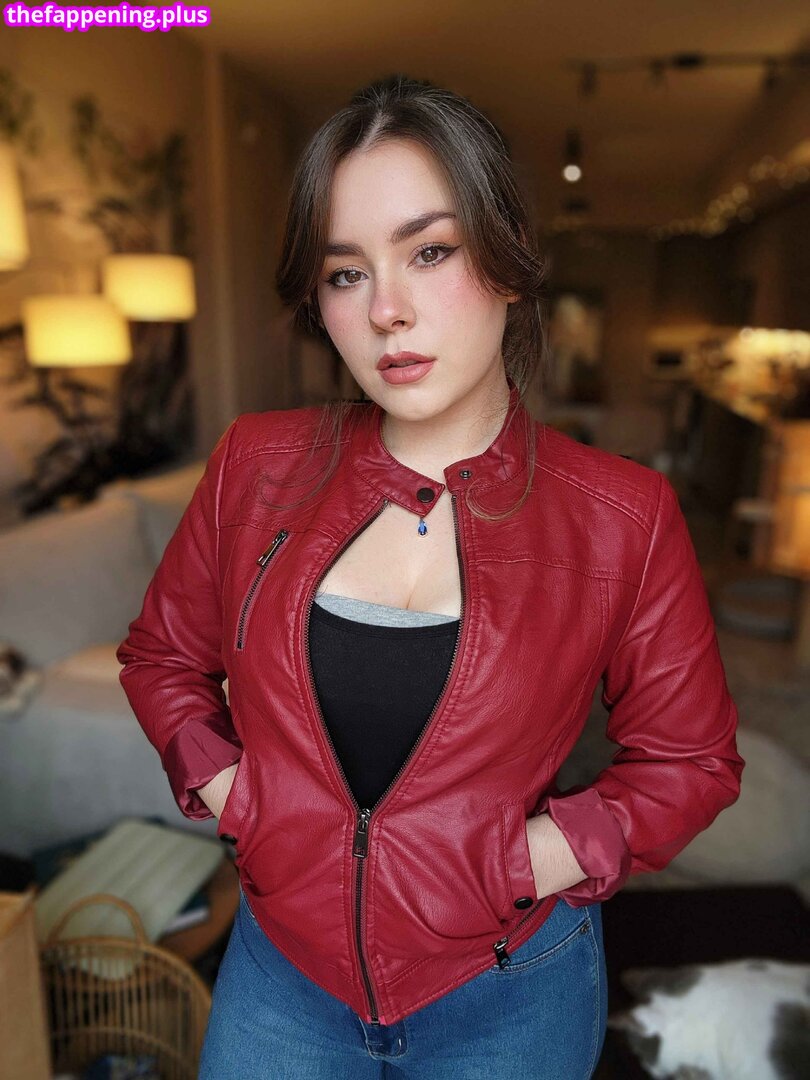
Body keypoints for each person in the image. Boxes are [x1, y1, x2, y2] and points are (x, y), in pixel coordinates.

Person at [116, 74, 745, 1079]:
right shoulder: (255, 464)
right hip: (283, 978)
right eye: (346, 272)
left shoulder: (622, 515)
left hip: (511, 990)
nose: (387, 311)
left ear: (509, 260)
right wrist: (241, 798)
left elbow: (691, 762)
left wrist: (519, 860)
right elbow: (161, 659)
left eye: (430, 251)